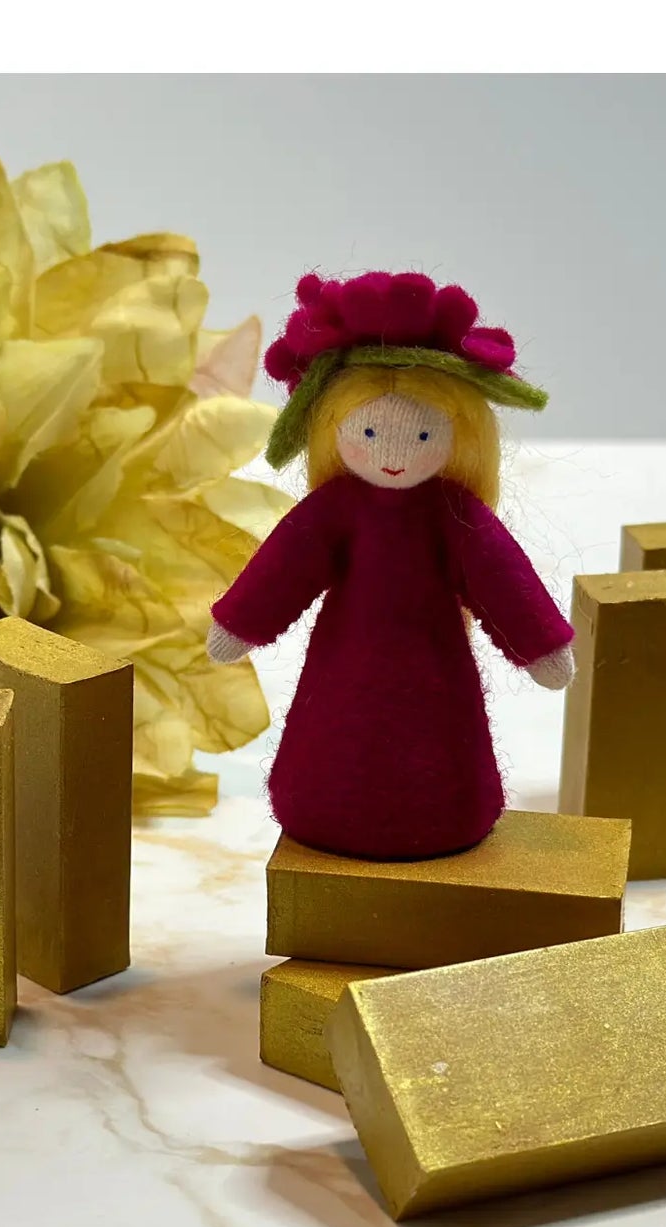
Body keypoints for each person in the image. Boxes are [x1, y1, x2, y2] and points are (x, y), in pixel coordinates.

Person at [207, 271, 575, 861]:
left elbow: (503, 581)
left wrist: (540, 647)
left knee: (432, 745)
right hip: (346, 662)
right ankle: (329, 804)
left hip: (434, 669)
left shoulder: (455, 516)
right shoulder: (337, 511)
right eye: (370, 431)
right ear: (335, 429)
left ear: (460, 435)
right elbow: (285, 566)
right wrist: (240, 625)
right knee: (340, 734)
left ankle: (434, 809)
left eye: (424, 432)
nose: (393, 454)